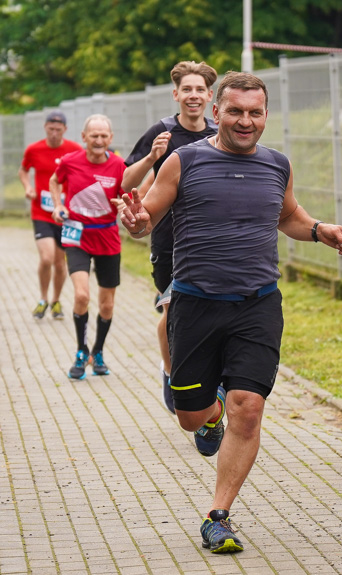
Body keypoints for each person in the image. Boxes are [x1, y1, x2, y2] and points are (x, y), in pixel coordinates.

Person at [120, 72, 342, 554]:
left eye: (255, 112)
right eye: (235, 111)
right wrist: (139, 221)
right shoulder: (185, 161)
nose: (245, 121)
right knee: (190, 416)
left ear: (266, 115)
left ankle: (218, 516)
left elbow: (288, 215)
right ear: (218, 112)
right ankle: (208, 417)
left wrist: (320, 230)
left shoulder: (277, 165)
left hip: (257, 304)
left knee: (248, 409)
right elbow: (147, 216)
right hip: (195, 303)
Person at [122, 60, 218, 414]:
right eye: (187, 90)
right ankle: (170, 371)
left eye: (200, 90)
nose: (193, 96)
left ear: (210, 96)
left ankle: (210, 380)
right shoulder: (160, 132)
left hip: (209, 240)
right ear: (176, 94)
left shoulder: (219, 132)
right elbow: (125, 183)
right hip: (169, 241)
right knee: (173, 310)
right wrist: (151, 157)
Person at [51, 114, 126, 380]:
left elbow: (126, 194)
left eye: (104, 135)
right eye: (93, 135)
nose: (99, 140)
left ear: (111, 138)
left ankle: (98, 352)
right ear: (83, 137)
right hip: (77, 236)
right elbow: (54, 181)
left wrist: (124, 204)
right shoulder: (70, 162)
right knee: (82, 296)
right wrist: (59, 205)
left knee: (107, 305)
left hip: (107, 237)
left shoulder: (119, 165)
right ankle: (81, 351)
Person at [19, 110, 83, 320]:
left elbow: (83, 173)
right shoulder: (34, 149)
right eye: (51, 129)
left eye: (58, 129)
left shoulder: (74, 150)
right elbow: (23, 170)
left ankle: (55, 301)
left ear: (65, 130)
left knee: (59, 262)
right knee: (46, 258)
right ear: (45, 127)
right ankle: (42, 298)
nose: (54, 133)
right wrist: (28, 186)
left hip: (65, 214)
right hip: (41, 212)